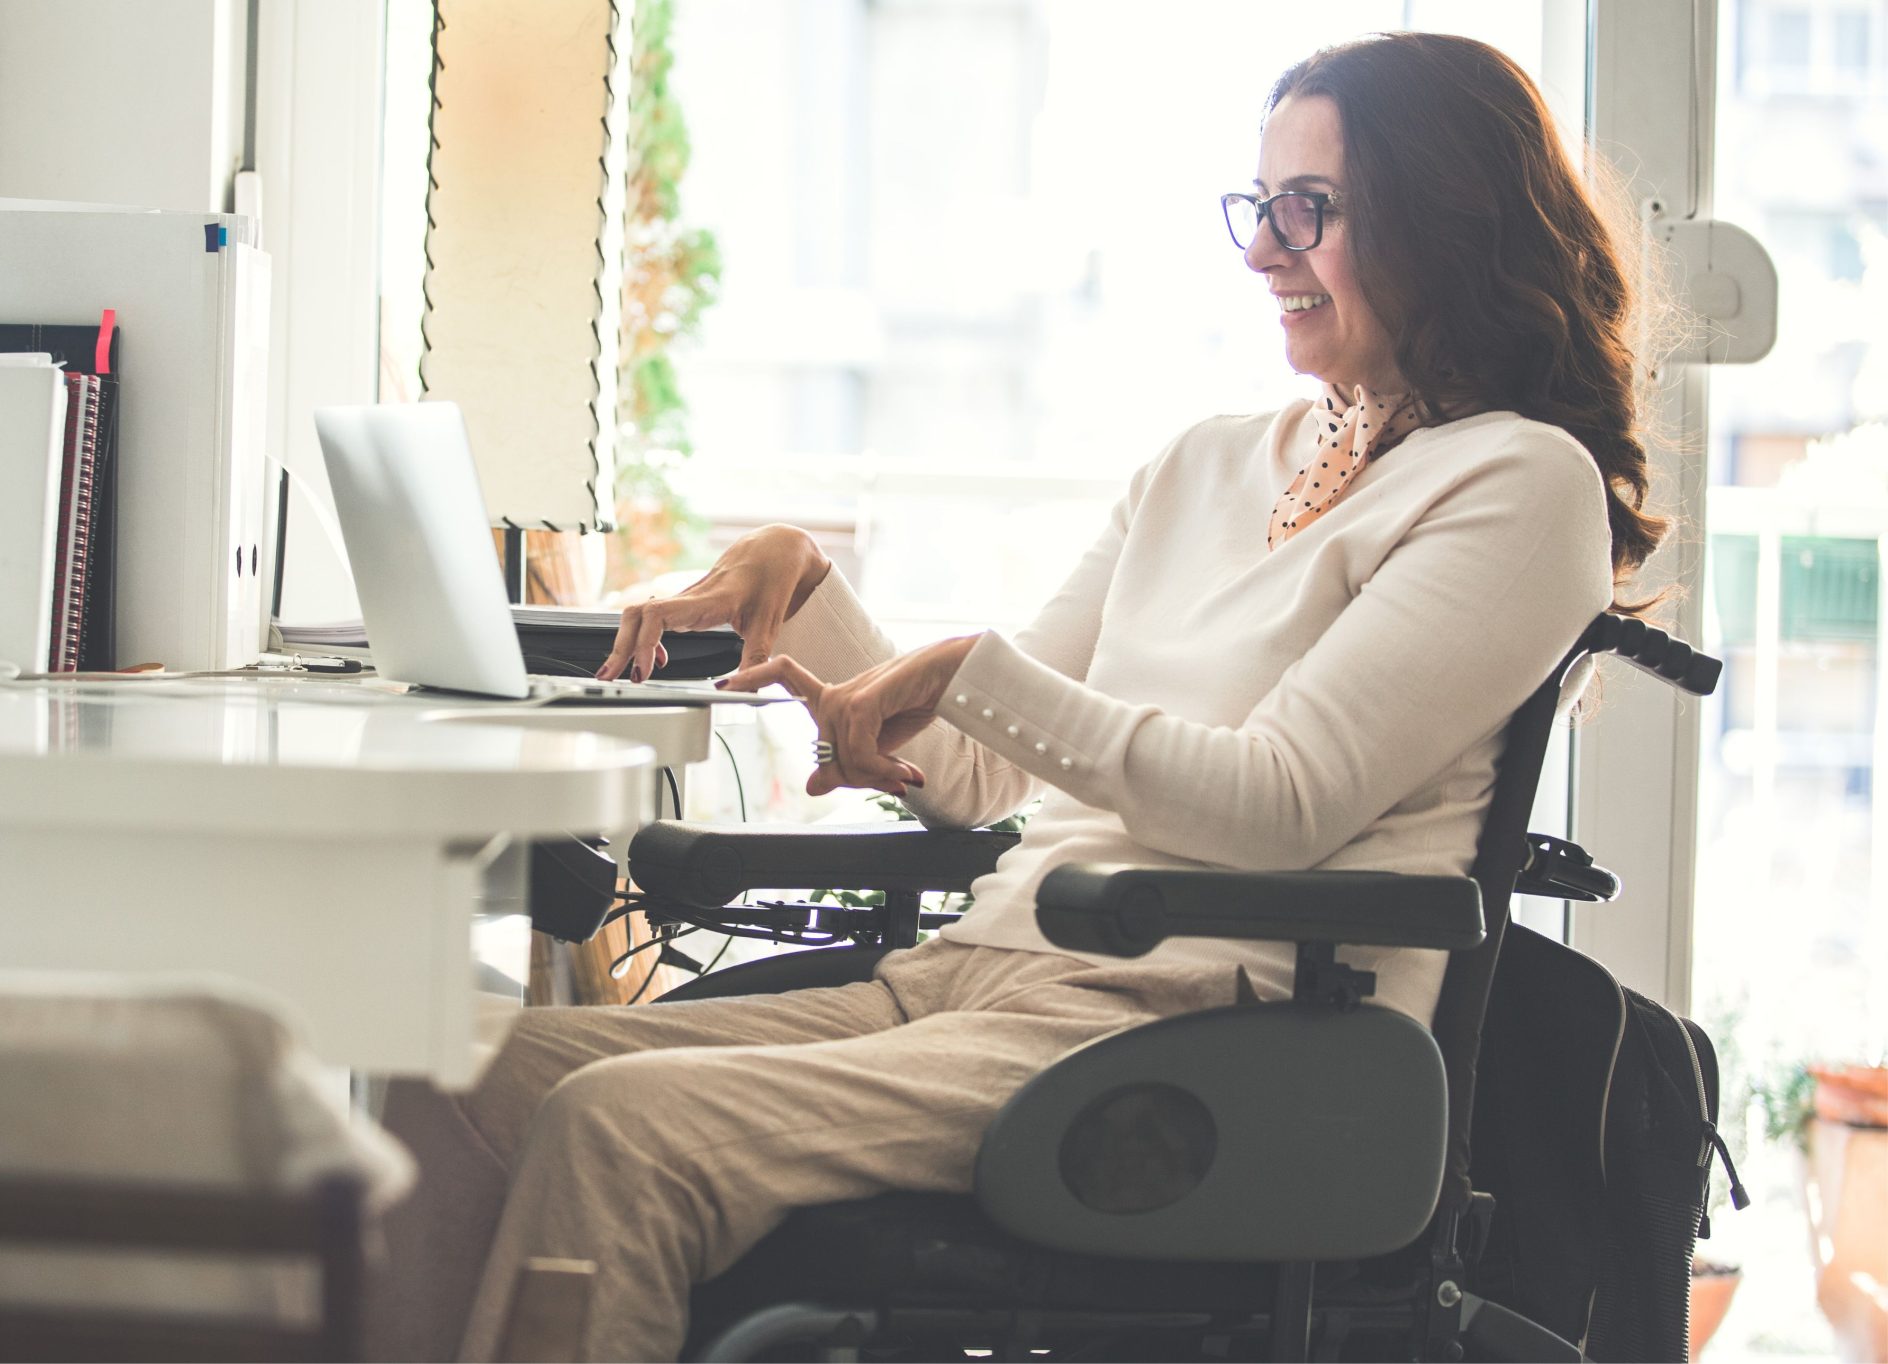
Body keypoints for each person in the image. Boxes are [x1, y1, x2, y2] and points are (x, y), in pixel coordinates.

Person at [371, 31, 1669, 1363]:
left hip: (1189, 1034)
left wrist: (971, 670)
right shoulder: (1206, 466)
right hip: (971, 982)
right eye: (1258, 206)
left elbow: (1284, 804)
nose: (1263, 251)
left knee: (619, 1136)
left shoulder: (1518, 486)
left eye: (1309, 211)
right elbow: (989, 772)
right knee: (455, 1080)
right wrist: (803, 584)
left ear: (1442, 218)